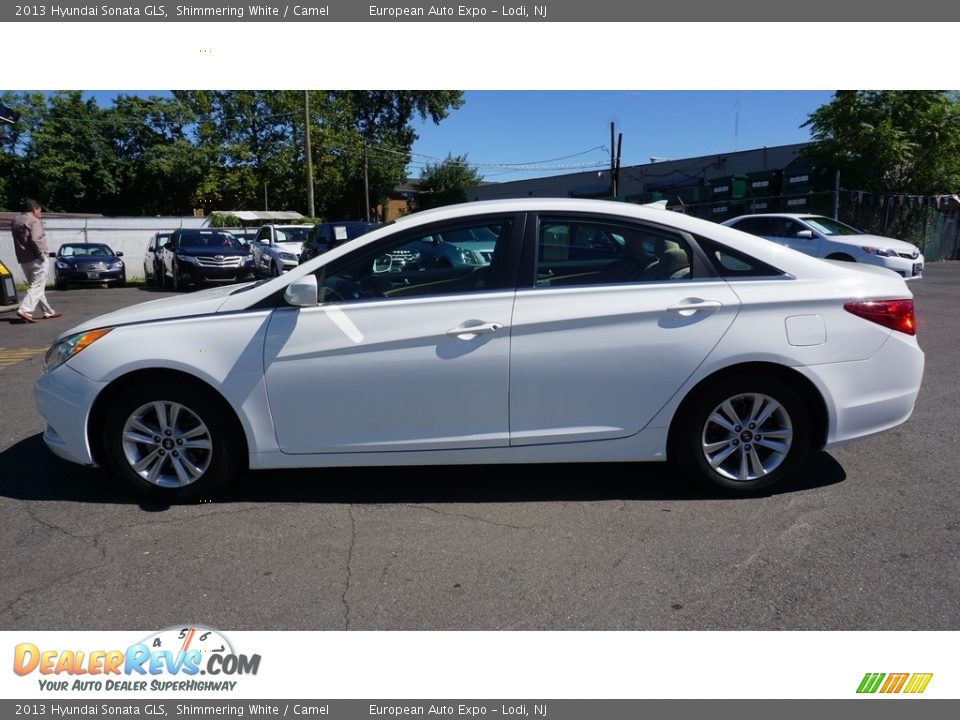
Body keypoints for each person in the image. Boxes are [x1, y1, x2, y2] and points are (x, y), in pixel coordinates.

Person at [11, 199, 61, 323]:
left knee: (36, 287)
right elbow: (35, 239)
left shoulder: (15, 220)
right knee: (37, 286)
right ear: (34, 210)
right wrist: (42, 255)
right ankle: (25, 310)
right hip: (36, 259)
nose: (41, 213)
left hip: (23, 259)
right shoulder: (34, 221)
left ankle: (48, 312)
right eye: (39, 210)